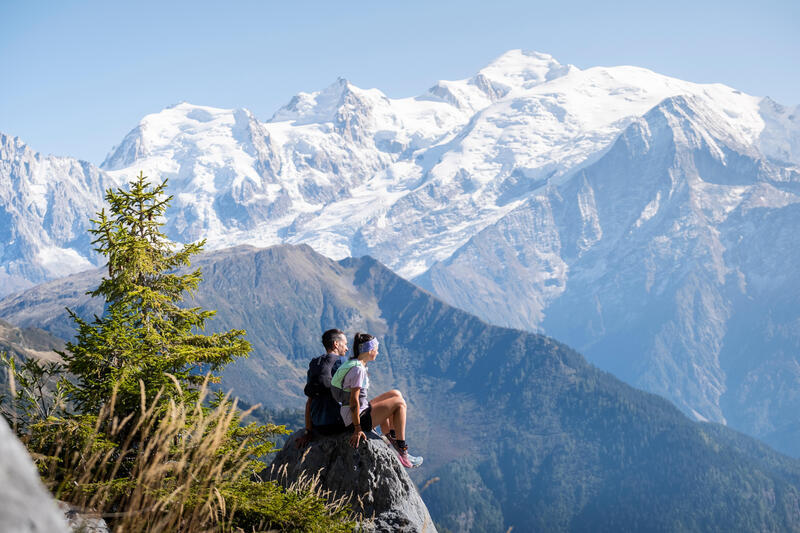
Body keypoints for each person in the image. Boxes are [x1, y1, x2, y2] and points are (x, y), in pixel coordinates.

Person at [336, 332, 422, 468]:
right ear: (370, 351)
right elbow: (353, 400)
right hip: (355, 420)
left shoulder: (355, 363)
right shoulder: (358, 370)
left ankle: (391, 438)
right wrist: (358, 428)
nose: (378, 352)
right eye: (376, 349)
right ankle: (403, 451)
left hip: (357, 412)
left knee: (395, 393)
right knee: (399, 403)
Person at [296, 328, 348, 448]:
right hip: (339, 424)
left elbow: (310, 400)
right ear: (336, 344)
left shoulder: (316, 364)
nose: (347, 348)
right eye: (345, 344)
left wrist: (308, 431)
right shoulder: (343, 363)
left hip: (318, 426)